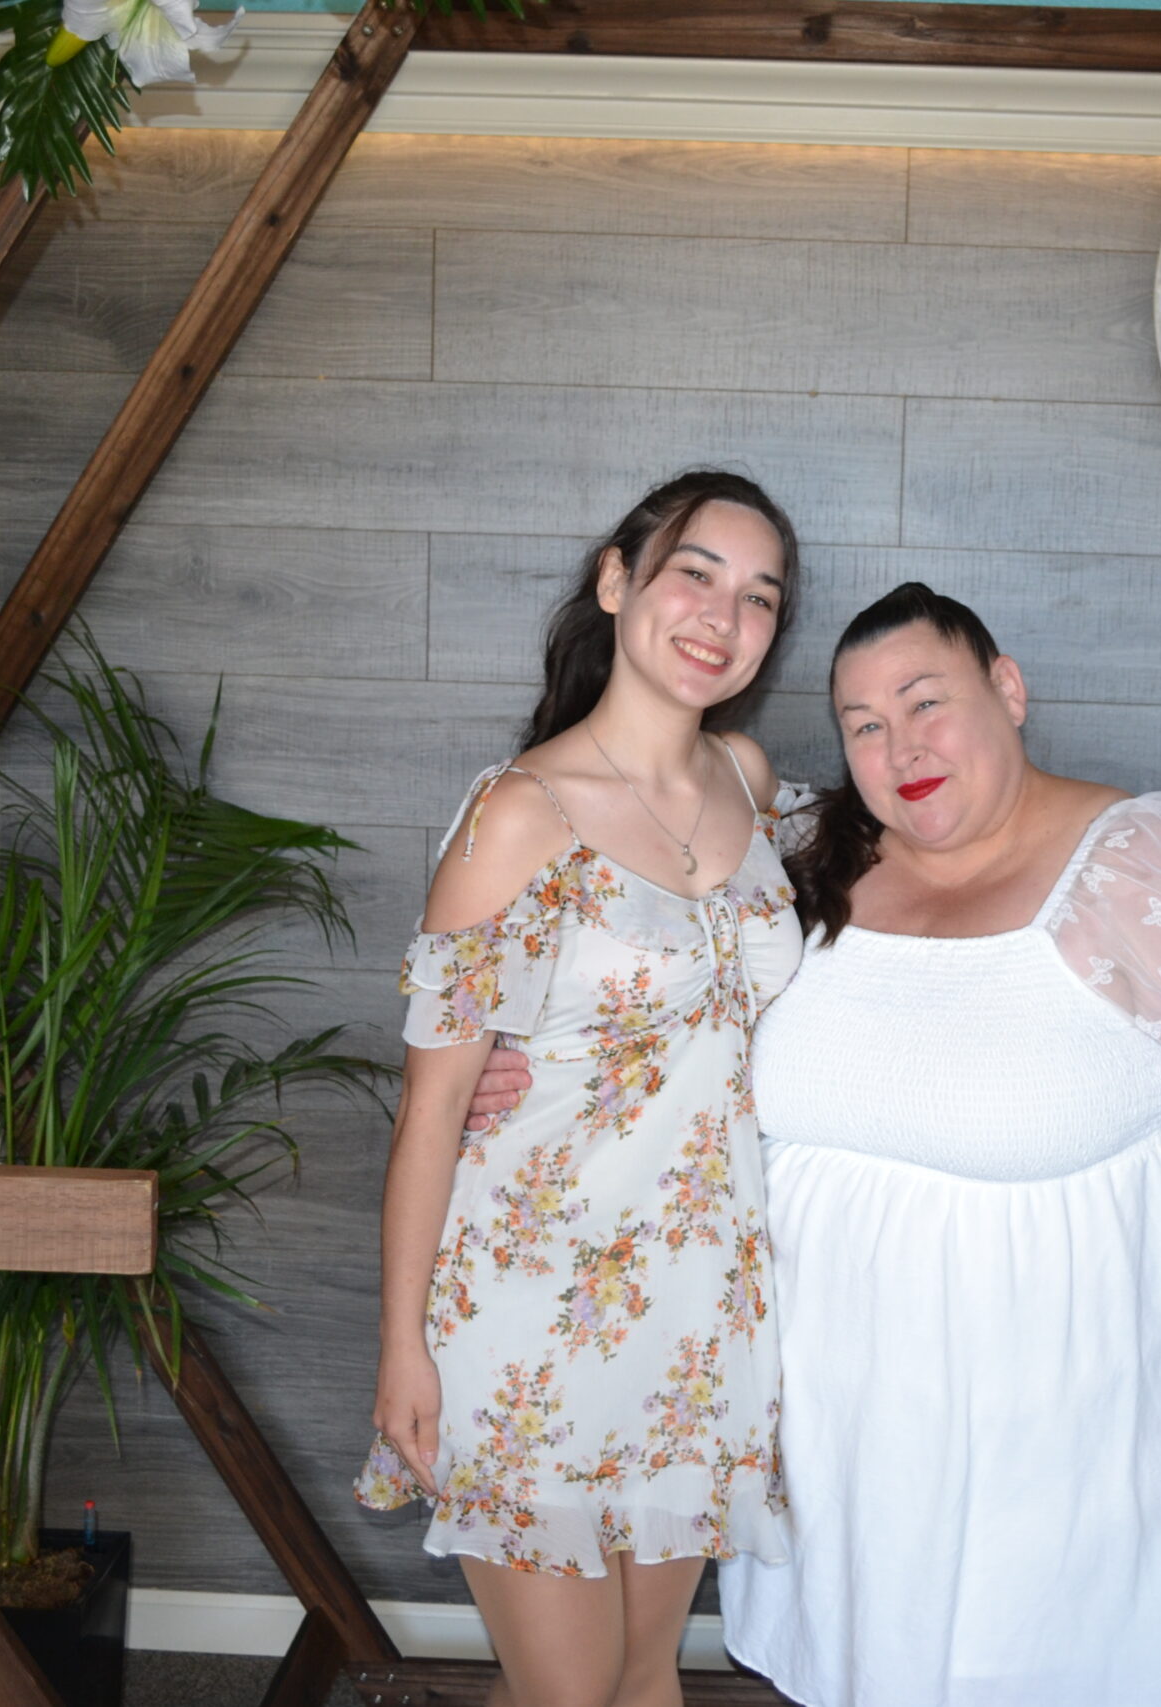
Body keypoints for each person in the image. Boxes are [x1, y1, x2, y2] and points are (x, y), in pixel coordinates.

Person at [466, 582, 1161, 1706]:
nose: (902, 748)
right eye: (865, 724)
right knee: (857, 1651)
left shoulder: (1140, 862)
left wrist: (1137, 1176)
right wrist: (504, 1051)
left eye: (927, 702)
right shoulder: (807, 848)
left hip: (1054, 1404)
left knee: (1027, 1657)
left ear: (1008, 689)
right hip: (829, 1404)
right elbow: (633, 949)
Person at [357, 470, 807, 1707]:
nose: (723, 615)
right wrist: (402, 1347)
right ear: (617, 583)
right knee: (572, 1692)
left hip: (700, 1311)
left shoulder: (749, 778)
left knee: (644, 1677)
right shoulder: (520, 814)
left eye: (759, 596)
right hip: (527, 1299)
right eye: (694, 574)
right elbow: (433, 1107)